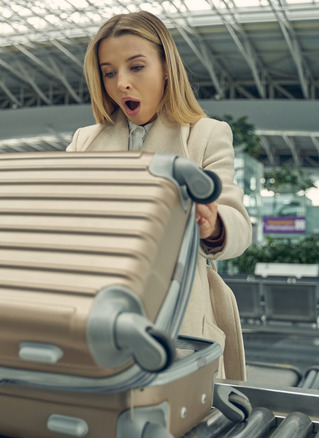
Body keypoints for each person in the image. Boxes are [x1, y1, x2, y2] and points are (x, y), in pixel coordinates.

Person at [67, 11, 252, 380]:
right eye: (108, 72)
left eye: (136, 67)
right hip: (99, 310)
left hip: (180, 316)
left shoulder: (205, 135)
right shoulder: (84, 141)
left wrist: (212, 223)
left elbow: (239, 228)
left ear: (167, 66)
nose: (121, 83)